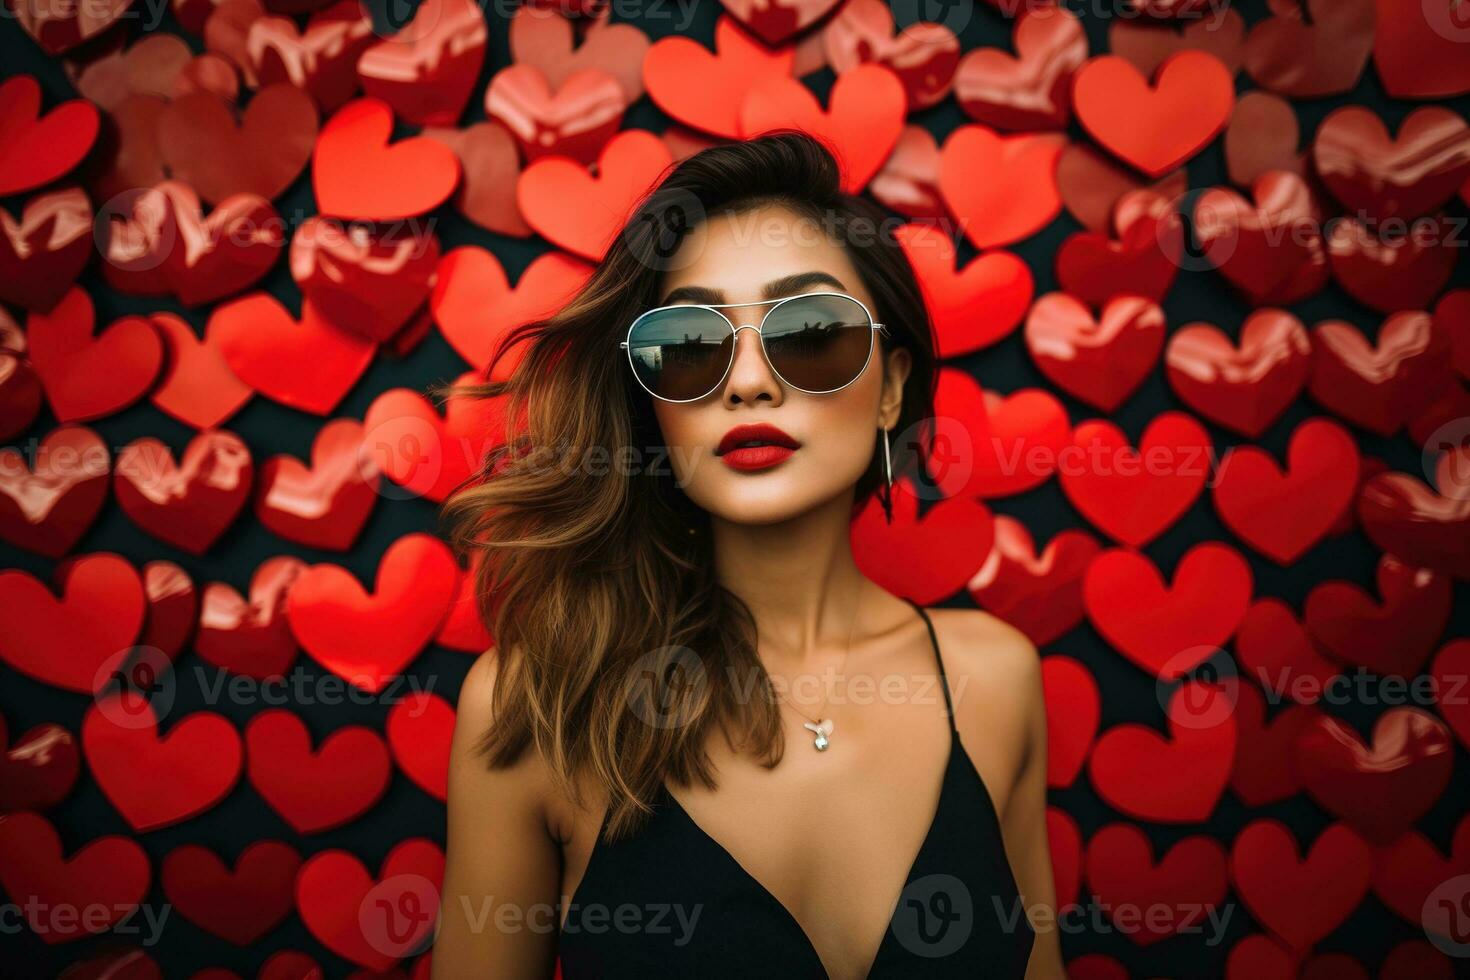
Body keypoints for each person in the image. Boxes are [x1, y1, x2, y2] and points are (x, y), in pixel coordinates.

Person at [431, 131, 1064, 979]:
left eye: (808, 330)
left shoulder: (996, 683)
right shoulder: (539, 705)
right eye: (691, 344)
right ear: (652, 405)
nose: (750, 381)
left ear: (890, 390)